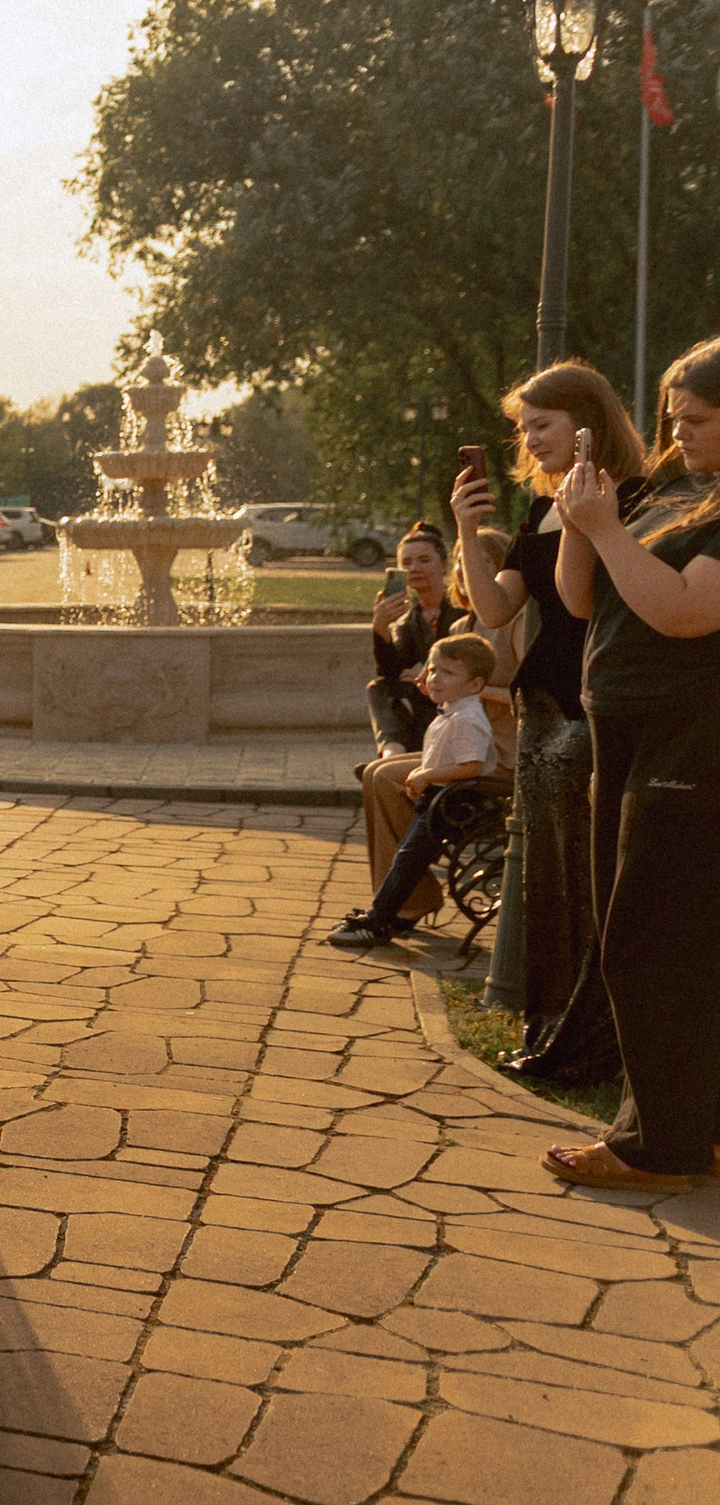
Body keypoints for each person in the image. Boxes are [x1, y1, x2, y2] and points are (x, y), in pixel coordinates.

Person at [539, 340, 720, 1194]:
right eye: (673, 418)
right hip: (627, 730)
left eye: (698, 419)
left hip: (691, 737)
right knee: (652, 936)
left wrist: (609, 529)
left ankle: (661, 1147)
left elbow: (686, 614)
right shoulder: (675, 493)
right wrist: (583, 521)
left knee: (647, 941)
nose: (678, 433)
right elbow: (583, 600)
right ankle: (689, 1131)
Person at [448, 362, 647, 1071]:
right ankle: (550, 1022)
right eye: (523, 428)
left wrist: (583, 506)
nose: (529, 440)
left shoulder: (629, 497)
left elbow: (585, 601)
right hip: (541, 704)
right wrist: (468, 531)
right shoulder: (541, 508)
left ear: (587, 423)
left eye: (542, 425)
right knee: (545, 874)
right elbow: (493, 611)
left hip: (592, 703)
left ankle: (592, 1037)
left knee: (587, 873)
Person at [326, 634, 499, 948]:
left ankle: (377, 921)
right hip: (439, 795)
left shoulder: (468, 719)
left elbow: (472, 767)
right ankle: (385, 914)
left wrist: (427, 775)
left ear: (474, 685)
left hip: (452, 803)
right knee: (406, 855)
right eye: (433, 670)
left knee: (408, 859)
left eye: (447, 673)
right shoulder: (454, 710)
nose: (433, 678)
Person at [366, 522, 469, 756]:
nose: (414, 568)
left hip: (460, 703)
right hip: (425, 709)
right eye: (407, 563)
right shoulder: (410, 621)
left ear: (443, 566)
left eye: (424, 561)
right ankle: (392, 752)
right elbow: (392, 673)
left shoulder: (463, 609)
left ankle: (393, 759)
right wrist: (381, 628)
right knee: (379, 688)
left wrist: (426, 672)